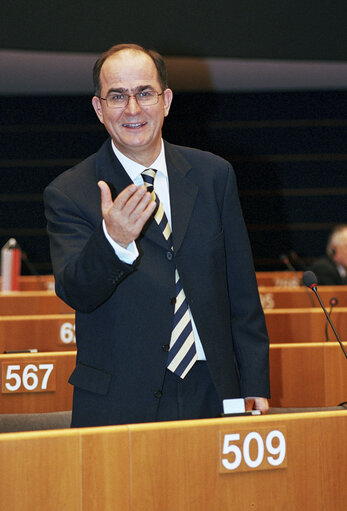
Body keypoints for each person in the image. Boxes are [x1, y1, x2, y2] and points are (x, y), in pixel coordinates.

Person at [44, 43, 270, 427]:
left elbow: (241, 293)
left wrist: (255, 383)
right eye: (117, 96)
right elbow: (76, 291)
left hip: (213, 388)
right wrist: (113, 242)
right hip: (119, 399)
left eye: (144, 93)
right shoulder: (70, 191)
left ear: (165, 101)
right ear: (99, 109)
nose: (133, 109)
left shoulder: (214, 176)